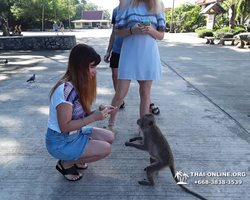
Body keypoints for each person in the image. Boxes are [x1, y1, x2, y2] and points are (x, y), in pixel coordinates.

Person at [45, 44, 118, 181]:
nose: (95, 71)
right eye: (91, 67)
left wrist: (100, 112)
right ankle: (66, 163)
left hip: (76, 133)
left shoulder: (79, 85)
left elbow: (80, 116)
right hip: (60, 141)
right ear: (79, 66)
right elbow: (64, 126)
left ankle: (75, 157)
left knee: (110, 137)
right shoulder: (65, 91)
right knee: (105, 149)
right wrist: (93, 118)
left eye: (95, 66)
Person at [107, 0, 165, 132]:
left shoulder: (158, 4)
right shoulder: (125, 3)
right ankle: (111, 123)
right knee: (120, 93)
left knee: (145, 94)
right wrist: (133, 30)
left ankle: (143, 128)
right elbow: (117, 32)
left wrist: (150, 30)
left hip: (148, 54)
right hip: (129, 53)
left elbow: (161, 35)